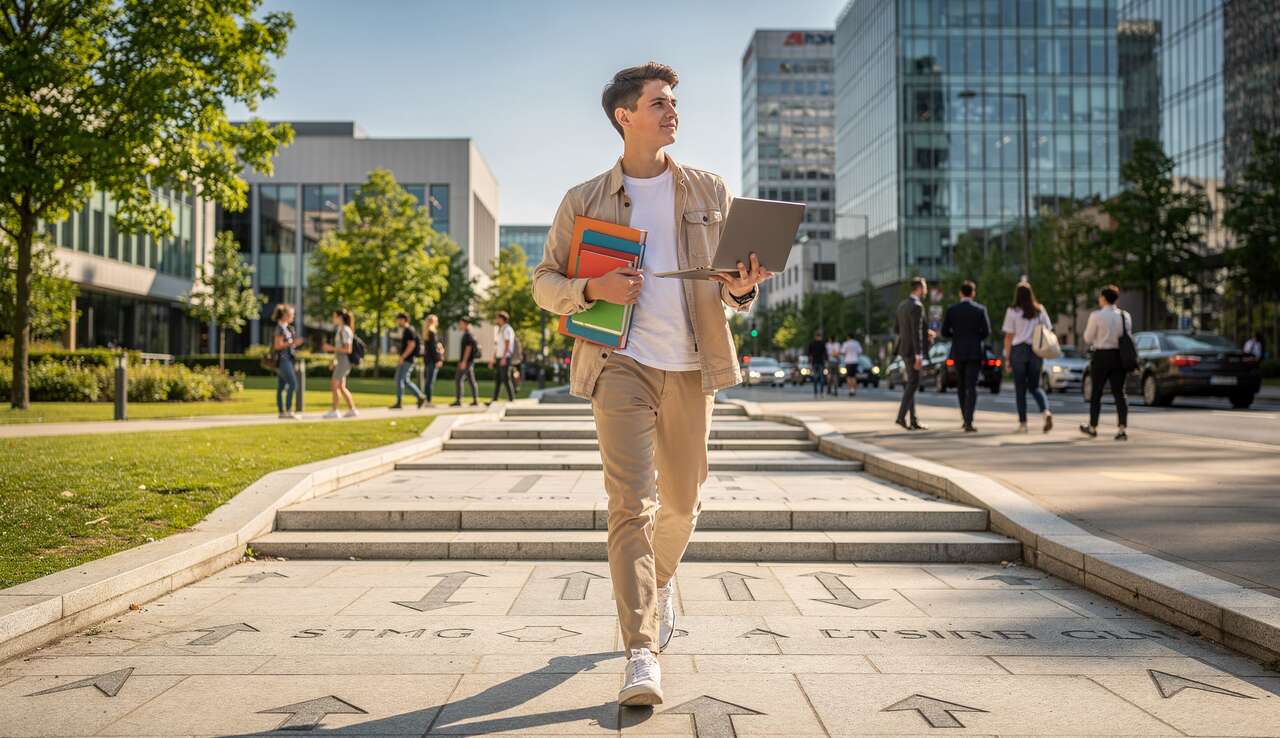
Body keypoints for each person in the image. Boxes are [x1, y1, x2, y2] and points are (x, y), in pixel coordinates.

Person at [530, 62, 770, 707]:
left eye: (673, 103)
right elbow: (544, 283)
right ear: (624, 116)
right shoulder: (585, 198)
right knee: (630, 505)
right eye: (659, 103)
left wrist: (743, 286)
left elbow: (734, 282)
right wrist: (591, 289)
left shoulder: (708, 190)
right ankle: (640, 652)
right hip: (619, 363)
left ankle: (659, 585)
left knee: (684, 503)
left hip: (693, 362)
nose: (672, 112)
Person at [1080, 284, 1132, 441]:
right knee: (1119, 393)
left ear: (1103, 298)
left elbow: (1088, 338)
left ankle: (1093, 427)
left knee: (1097, 392)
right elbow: (1127, 336)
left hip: (1101, 355)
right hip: (1119, 357)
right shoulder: (1125, 315)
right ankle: (1121, 429)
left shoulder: (1096, 316)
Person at [1001, 282, 1053, 433]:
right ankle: (1046, 412)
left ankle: (1023, 424)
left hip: (1018, 350)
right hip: (1036, 350)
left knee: (1020, 389)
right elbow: (1048, 329)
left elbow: (1009, 336)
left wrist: (1007, 358)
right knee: (1035, 386)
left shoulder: (1012, 311)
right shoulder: (1039, 310)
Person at [942, 280, 990, 432]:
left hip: (958, 351)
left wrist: (956, 336)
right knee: (972, 386)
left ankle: (965, 418)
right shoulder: (980, 310)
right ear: (973, 293)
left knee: (961, 386)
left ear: (961, 293)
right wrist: (975, 338)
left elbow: (944, 332)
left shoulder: (952, 310)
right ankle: (969, 420)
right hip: (975, 352)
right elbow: (986, 332)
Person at [895, 277, 930, 430]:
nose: (926, 289)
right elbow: (916, 332)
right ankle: (901, 417)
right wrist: (919, 355)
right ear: (919, 288)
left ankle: (913, 419)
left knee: (912, 383)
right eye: (925, 286)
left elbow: (898, 329)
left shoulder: (902, 305)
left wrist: (925, 331)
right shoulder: (917, 306)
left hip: (904, 349)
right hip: (913, 351)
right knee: (913, 383)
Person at [321, 309, 358, 418]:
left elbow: (348, 349)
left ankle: (334, 410)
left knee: (334, 385)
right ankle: (352, 409)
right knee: (341, 387)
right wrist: (334, 360)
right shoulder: (340, 329)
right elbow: (340, 350)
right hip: (341, 361)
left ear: (340, 317)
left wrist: (330, 348)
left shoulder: (345, 330)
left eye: (334, 316)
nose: (333, 319)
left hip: (344, 362)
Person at [270, 304, 304, 419]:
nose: (293, 317)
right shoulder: (279, 328)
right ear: (285, 315)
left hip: (288, 359)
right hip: (283, 361)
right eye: (291, 314)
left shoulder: (287, 328)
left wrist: (293, 344)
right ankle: (288, 411)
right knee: (293, 384)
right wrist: (292, 343)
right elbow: (277, 345)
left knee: (281, 386)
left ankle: (281, 412)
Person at [390, 312, 426, 410]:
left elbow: (412, 345)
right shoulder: (408, 330)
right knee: (405, 380)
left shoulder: (409, 330)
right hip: (409, 359)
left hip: (407, 359)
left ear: (404, 320)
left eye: (399, 319)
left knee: (399, 379)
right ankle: (420, 396)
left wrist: (402, 357)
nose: (398, 321)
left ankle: (399, 402)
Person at [486, 310, 517, 405]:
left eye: (498, 318)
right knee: (498, 379)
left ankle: (511, 399)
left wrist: (504, 357)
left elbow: (507, 344)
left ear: (502, 319)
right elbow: (498, 346)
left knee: (506, 378)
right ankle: (494, 399)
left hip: (505, 357)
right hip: (500, 357)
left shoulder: (507, 329)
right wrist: (493, 358)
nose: (496, 320)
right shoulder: (500, 329)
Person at [451, 316, 480, 407]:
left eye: (461, 323)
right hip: (468, 361)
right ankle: (475, 400)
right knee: (471, 380)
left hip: (467, 361)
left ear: (466, 324)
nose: (460, 325)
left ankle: (459, 400)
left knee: (458, 379)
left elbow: (468, 348)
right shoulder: (468, 334)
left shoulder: (468, 335)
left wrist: (463, 361)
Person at [421, 314, 444, 403]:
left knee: (428, 381)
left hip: (428, 359)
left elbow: (431, 347)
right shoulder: (432, 332)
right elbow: (433, 349)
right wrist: (439, 359)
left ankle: (426, 399)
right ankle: (428, 400)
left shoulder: (426, 332)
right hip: (433, 360)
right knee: (430, 381)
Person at [806, 329, 828, 397]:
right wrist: (826, 361)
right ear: (820, 337)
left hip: (814, 362)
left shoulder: (812, 343)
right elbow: (825, 353)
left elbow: (809, 354)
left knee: (815, 377)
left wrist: (809, 362)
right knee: (821, 378)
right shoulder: (822, 343)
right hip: (821, 362)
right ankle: (821, 392)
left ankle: (815, 393)